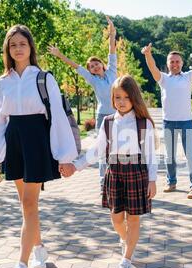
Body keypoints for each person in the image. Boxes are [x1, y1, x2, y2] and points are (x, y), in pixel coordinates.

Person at [0, 25, 78, 268]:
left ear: (31, 48)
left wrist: (65, 156)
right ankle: (38, 248)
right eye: (13, 44)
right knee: (26, 205)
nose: (18, 48)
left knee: (29, 204)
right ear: (7, 49)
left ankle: (22, 265)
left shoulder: (44, 78)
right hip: (14, 142)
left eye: (22, 44)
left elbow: (58, 118)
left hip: (37, 141)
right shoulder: (1, 82)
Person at [63, 75, 157, 268]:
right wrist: (75, 165)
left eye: (125, 97)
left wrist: (152, 180)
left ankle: (126, 260)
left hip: (137, 174)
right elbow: (96, 150)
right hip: (114, 173)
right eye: (117, 97)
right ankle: (126, 240)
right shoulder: (107, 122)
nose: (121, 101)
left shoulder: (143, 123)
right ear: (112, 99)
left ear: (134, 98)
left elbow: (150, 154)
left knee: (133, 219)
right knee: (116, 219)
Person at [48, 16, 117, 193]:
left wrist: (112, 34)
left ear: (102, 64)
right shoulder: (92, 79)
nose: (94, 67)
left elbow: (111, 51)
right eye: (91, 66)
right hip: (103, 116)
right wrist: (59, 54)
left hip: (119, 115)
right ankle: (103, 183)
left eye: (96, 64)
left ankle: (117, 180)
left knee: (118, 150)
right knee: (102, 150)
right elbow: (75, 66)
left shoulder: (112, 71)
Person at [141, 43, 192, 199]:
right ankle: (171, 182)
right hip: (168, 122)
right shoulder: (163, 79)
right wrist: (148, 55)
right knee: (169, 155)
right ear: (168, 64)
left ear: (182, 63)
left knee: (191, 155)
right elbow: (153, 69)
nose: (175, 64)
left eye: (177, 61)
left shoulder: (188, 77)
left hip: (186, 122)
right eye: (172, 62)